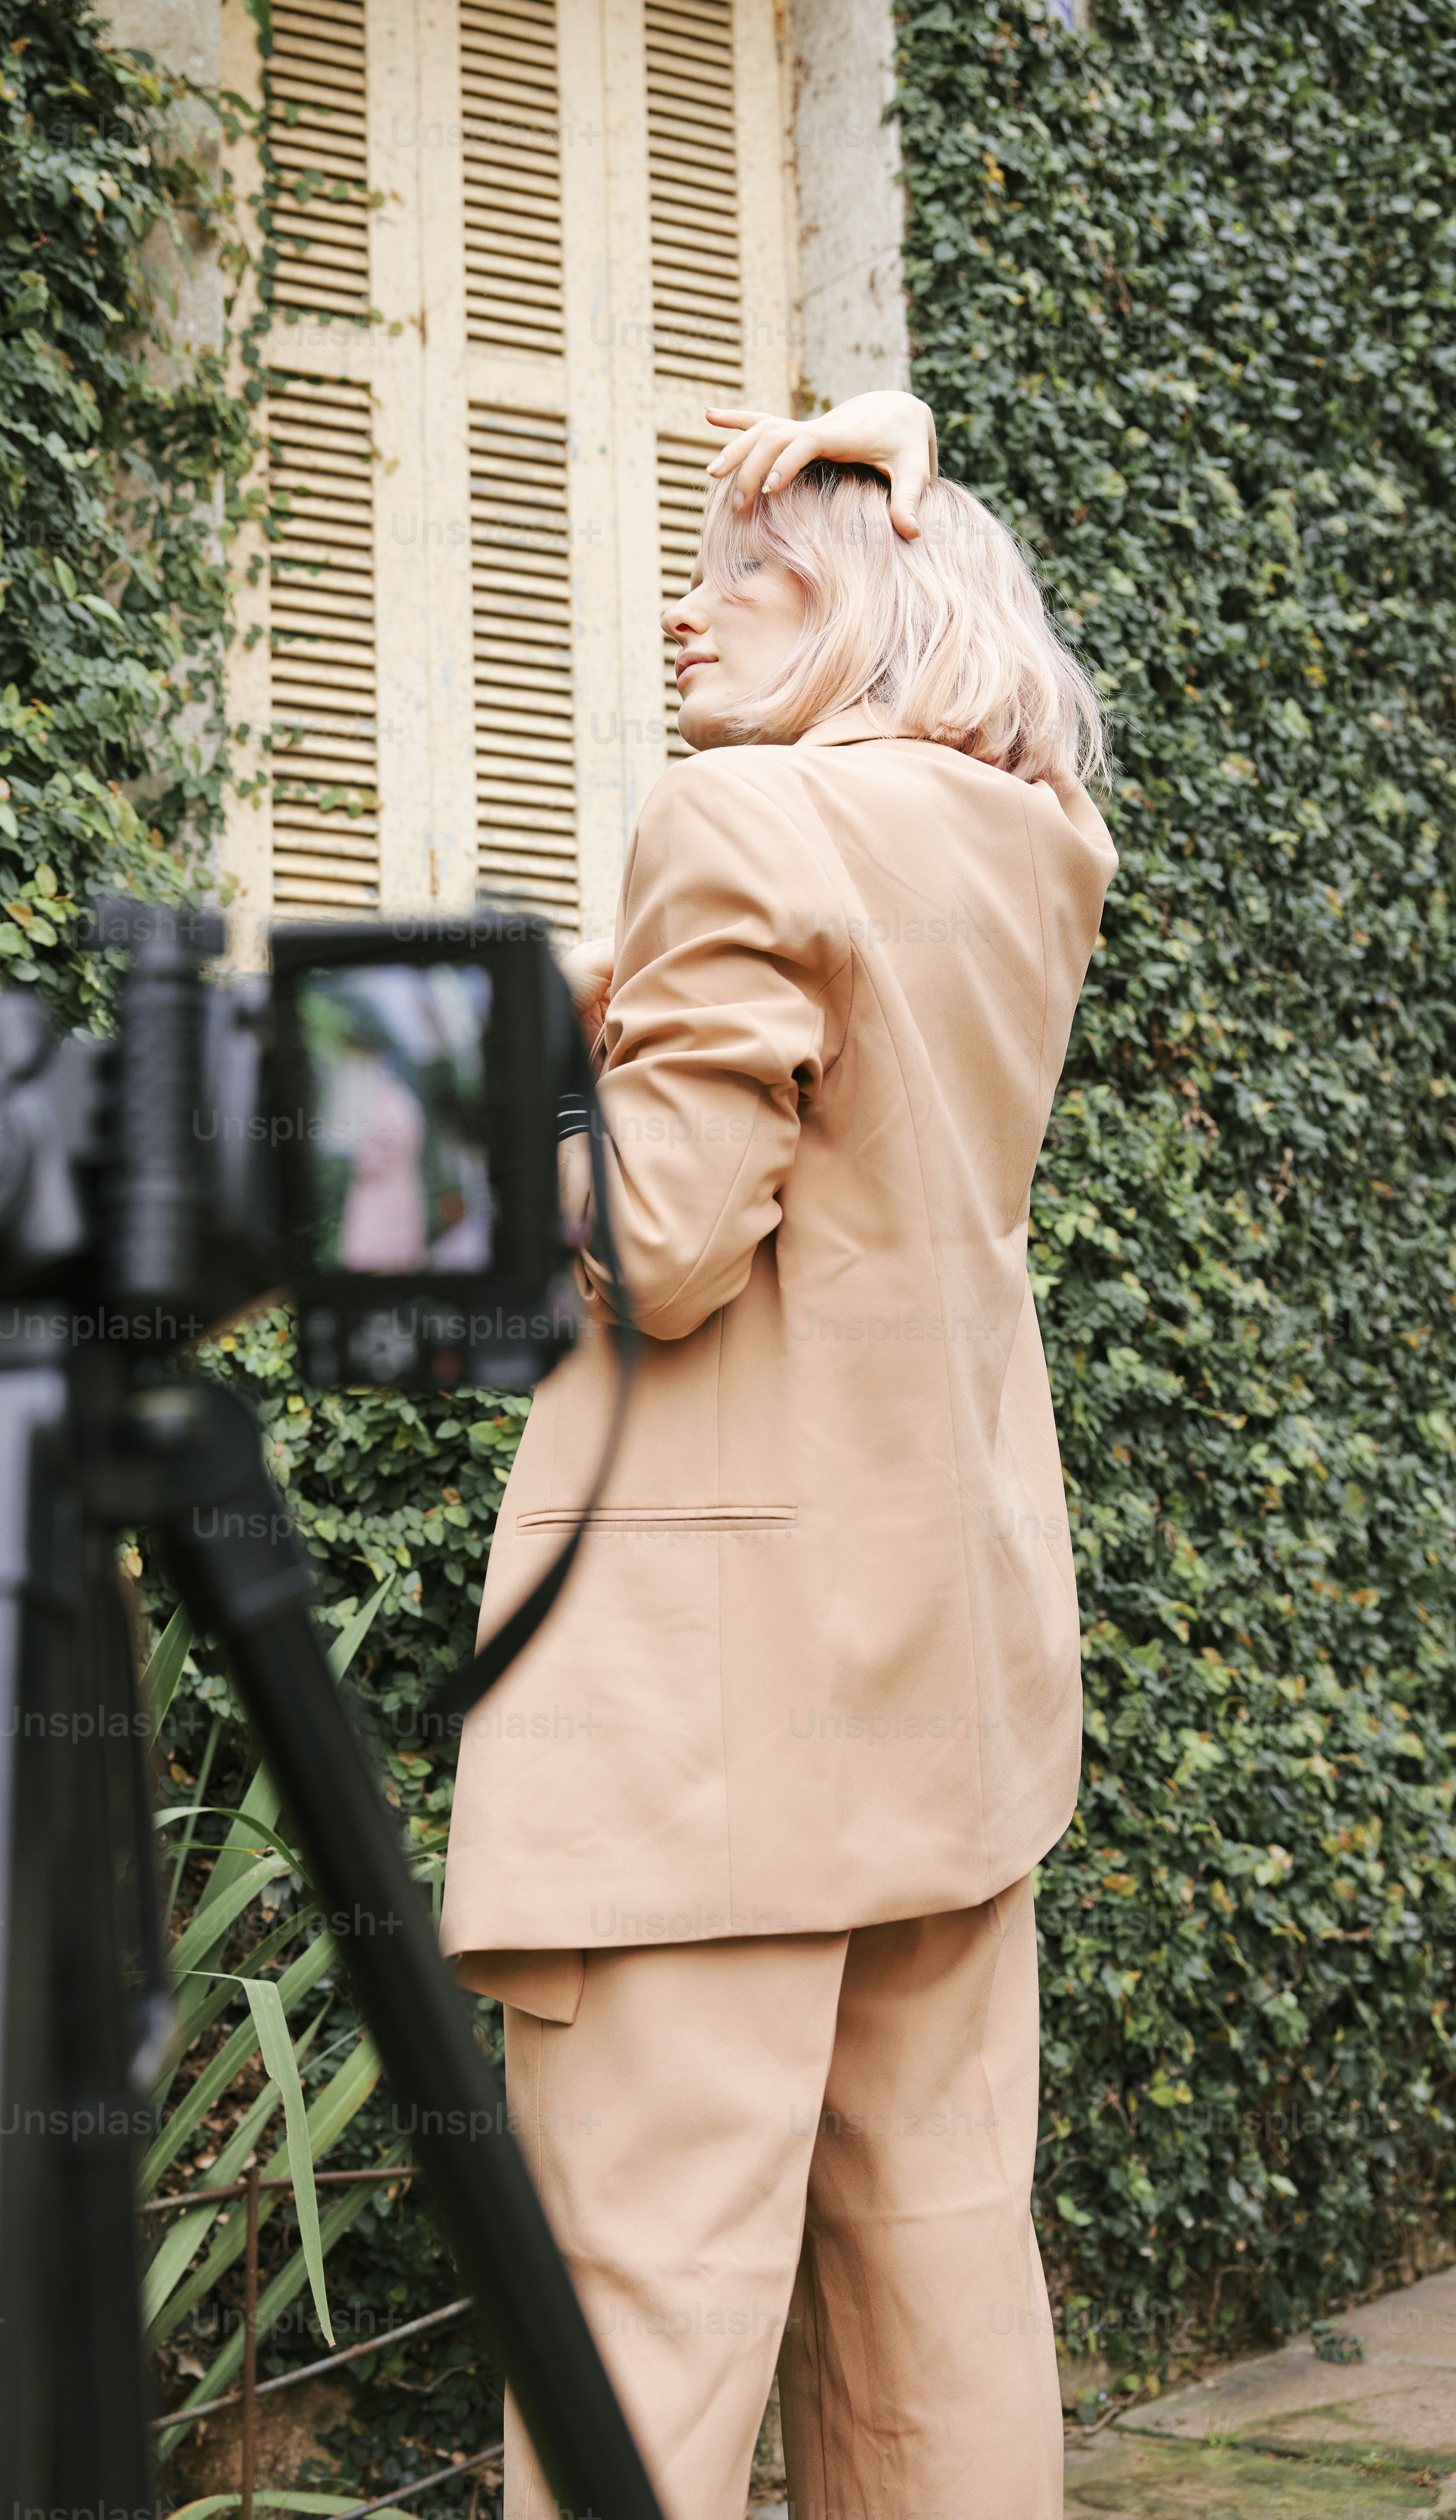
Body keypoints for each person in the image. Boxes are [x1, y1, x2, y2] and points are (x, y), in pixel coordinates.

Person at [438, 390, 1116, 2520]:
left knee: (641, 2305)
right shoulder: (1028, 852)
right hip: (950, 1680)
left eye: (752, 572)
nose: (690, 607)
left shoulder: (736, 822)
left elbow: (656, 1238)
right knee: (936, 2293)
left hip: (715, 1721)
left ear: (881, 603)